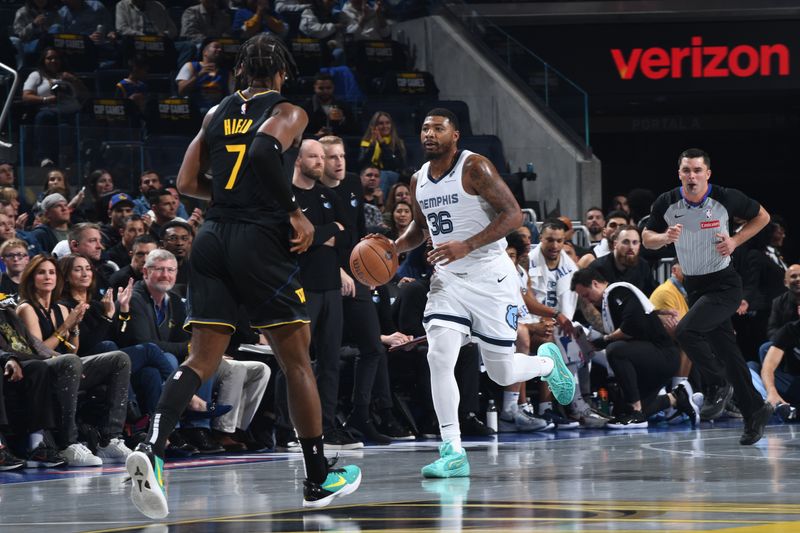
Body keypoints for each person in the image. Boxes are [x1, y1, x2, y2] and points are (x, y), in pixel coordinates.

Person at [126, 33, 361, 519]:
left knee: (201, 358)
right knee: (297, 359)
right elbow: (259, 153)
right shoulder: (289, 111)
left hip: (212, 236)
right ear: (281, 73)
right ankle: (318, 477)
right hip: (258, 239)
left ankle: (152, 448)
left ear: (239, 73)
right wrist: (292, 211)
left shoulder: (215, 114)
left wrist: (233, 200)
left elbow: (187, 183)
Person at [391, 108, 575, 478]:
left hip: (491, 278)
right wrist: (392, 248)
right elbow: (421, 228)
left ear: (455, 135)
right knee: (439, 357)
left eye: (438, 128)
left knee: (502, 372)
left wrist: (468, 244)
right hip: (447, 281)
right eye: (424, 128)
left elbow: (513, 216)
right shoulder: (418, 180)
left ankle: (549, 364)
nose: (429, 134)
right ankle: (452, 449)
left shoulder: (475, 167)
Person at [642, 147, 773, 445]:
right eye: (686, 170)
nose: (692, 176)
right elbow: (647, 238)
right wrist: (664, 238)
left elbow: (763, 216)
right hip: (695, 285)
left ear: (707, 174)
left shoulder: (726, 197)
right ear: (679, 174)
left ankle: (717, 383)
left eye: (697, 170)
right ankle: (756, 410)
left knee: (686, 330)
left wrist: (736, 240)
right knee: (729, 353)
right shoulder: (667, 201)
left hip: (725, 283)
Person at [21, 48, 88, 166]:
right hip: (49, 111)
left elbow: (85, 95)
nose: (53, 61)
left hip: (73, 112)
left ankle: (82, 159)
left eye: (56, 58)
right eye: (49, 58)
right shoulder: (37, 75)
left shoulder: (68, 76)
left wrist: (74, 79)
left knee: (86, 119)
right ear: (43, 61)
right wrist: (46, 99)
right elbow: (26, 96)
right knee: (43, 117)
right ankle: (44, 157)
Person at [176, 38, 234, 115]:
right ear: (205, 52)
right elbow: (181, 90)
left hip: (217, 112)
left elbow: (232, 95)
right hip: (195, 111)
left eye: (221, 49)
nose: (219, 50)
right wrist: (198, 76)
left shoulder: (227, 73)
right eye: (216, 47)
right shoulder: (190, 66)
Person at [358, 111, 406, 196]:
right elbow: (362, 164)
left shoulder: (397, 143)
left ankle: (379, 204)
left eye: (387, 123)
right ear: (374, 127)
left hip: (392, 175)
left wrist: (382, 144)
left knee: (383, 175)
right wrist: (372, 145)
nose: (385, 126)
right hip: (372, 173)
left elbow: (395, 165)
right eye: (381, 123)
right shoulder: (366, 143)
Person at [302, 72, 357, 138]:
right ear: (314, 88)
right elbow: (298, 134)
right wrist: (315, 136)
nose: (325, 91)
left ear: (333, 87)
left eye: (328, 88)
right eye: (321, 88)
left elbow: (356, 132)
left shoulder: (344, 107)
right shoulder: (305, 108)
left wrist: (343, 120)